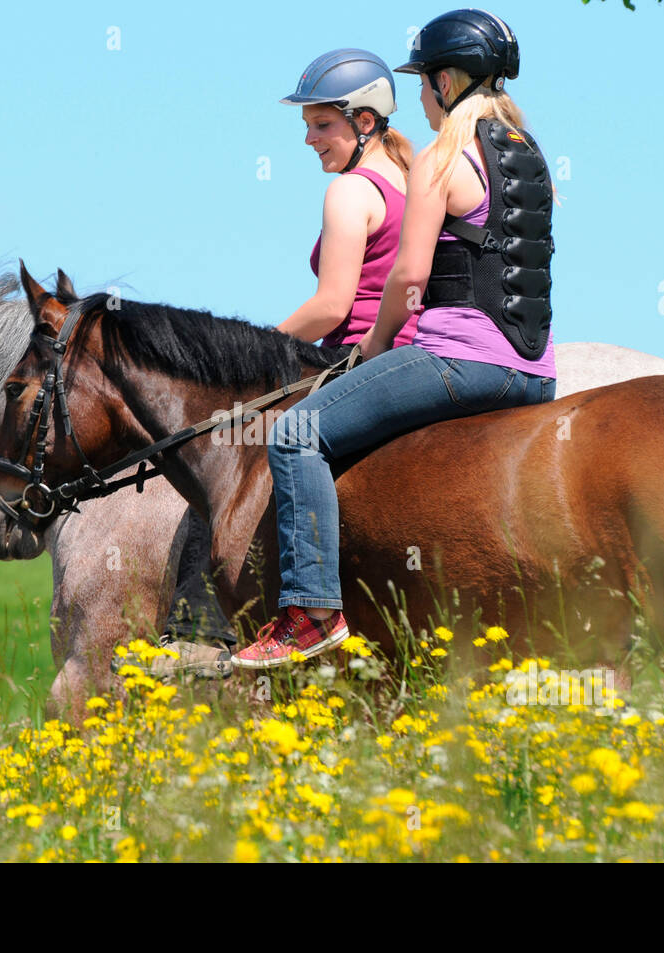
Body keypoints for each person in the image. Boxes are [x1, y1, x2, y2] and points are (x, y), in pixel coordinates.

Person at [232, 9, 559, 669]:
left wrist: (377, 347)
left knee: (295, 434)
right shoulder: (533, 158)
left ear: (444, 82)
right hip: (535, 371)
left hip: (457, 361)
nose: (421, 98)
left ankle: (311, 615)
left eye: (422, 84)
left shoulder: (443, 156)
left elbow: (410, 277)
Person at [139, 49, 417, 679]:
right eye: (307, 128)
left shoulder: (351, 190)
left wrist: (251, 354)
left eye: (323, 125)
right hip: (402, 351)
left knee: (223, 452)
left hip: (346, 354)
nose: (311, 140)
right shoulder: (407, 180)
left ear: (365, 122)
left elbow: (331, 304)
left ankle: (195, 637)